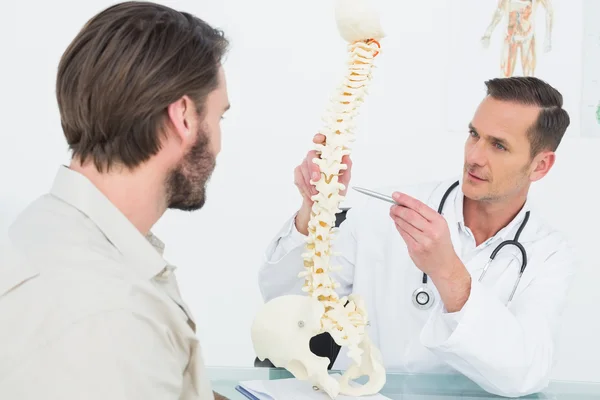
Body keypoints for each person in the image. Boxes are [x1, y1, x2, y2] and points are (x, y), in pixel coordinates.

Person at [258, 76, 575, 397]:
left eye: (498, 145)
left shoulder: (548, 254)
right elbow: (287, 303)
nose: (475, 156)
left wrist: (447, 271)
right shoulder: (385, 211)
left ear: (540, 166)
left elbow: (525, 375)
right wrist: (315, 211)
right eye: (473, 135)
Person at [0, 2, 230, 399]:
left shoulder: (49, 229)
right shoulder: (111, 316)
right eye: (219, 117)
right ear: (184, 117)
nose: (221, 143)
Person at [481, 0, 553, 77]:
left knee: (528, 75)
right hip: (510, 37)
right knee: (505, 74)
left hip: (527, 37)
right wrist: (488, 33)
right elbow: (499, 12)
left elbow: (549, 10)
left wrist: (548, 37)